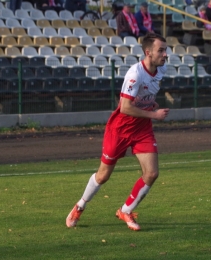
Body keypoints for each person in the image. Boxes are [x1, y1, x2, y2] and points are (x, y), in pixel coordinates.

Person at [66, 32, 170, 231]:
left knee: (152, 173)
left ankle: (126, 210)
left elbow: (144, 95)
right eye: (161, 50)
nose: (165, 54)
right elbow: (124, 107)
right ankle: (80, 206)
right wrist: (155, 115)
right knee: (103, 176)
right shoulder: (135, 74)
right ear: (148, 53)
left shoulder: (161, 69)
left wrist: (150, 102)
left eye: (165, 50)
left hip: (142, 129)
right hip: (121, 129)